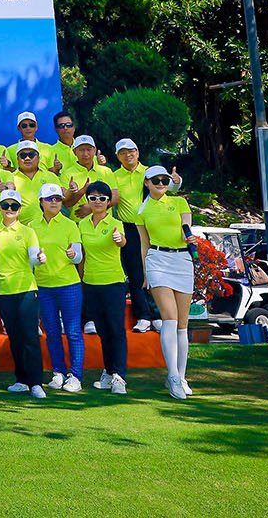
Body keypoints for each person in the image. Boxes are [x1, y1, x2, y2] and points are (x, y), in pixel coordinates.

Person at [136, 165, 195, 399]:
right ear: (147, 182)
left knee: (182, 324)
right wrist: (145, 273)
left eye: (164, 180)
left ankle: (182, 376)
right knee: (169, 318)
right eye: (156, 180)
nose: (161, 183)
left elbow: (185, 229)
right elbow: (144, 243)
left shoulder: (180, 202)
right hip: (157, 260)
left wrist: (189, 237)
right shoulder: (142, 210)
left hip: (182, 260)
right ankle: (172, 377)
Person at [0, 188, 46, 398]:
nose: (9, 209)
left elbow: (34, 258)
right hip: (2, 290)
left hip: (26, 289)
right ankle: (21, 380)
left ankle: (36, 382)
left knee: (30, 336)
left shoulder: (28, 232)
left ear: (19, 209)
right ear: (0, 208)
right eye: (6, 205)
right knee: (14, 336)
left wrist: (39, 259)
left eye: (14, 206)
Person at [78, 180, 130, 394]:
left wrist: (119, 239)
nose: (97, 201)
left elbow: (122, 242)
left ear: (109, 202)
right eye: (93, 198)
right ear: (88, 201)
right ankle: (108, 372)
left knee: (116, 329)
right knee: (102, 330)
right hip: (91, 283)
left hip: (113, 282)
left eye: (102, 198)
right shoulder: (82, 224)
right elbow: (81, 255)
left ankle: (119, 375)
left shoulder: (116, 223)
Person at [33, 183, 85, 393]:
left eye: (57, 199)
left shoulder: (70, 225)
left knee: (73, 332)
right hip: (43, 285)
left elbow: (78, 256)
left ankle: (76, 375)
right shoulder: (32, 226)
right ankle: (58, 372)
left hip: (69, 284)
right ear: (41, 202)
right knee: (52, 331)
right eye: (50, 199)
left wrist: (74, 255)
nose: (54, 202)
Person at [110, 138, 155, 331]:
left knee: (153, 272)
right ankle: (143, 316)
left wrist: (177, 183)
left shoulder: (149, 172)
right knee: (135, 274)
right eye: (123, 153)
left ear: (137, 152)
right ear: (118, 156)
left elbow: (168, 187)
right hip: (127, 228)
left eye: (131, 151)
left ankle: (157, 315)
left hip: (150, 227)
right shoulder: (114, 176)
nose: (128, 155)